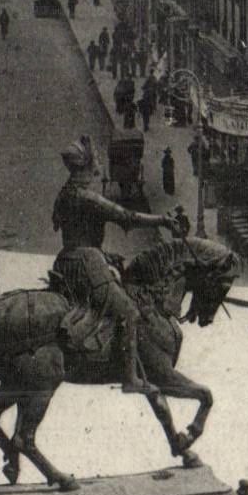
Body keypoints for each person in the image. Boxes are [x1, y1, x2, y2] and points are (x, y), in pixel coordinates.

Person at [50, 135, 175, 396]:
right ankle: (130, 377)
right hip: (87, 262)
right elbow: (127, 218)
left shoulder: (64, 194)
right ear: (85, 167)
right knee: (128, 311)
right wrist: (163, 220)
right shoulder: (88, 198)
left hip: (66, 260)